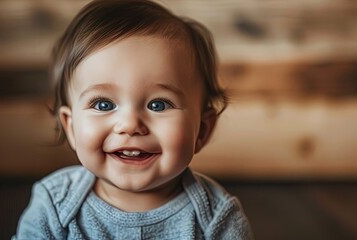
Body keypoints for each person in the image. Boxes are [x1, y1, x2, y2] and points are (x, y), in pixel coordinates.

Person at [14, 0, 253, 239]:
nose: (130, 125)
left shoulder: (216, 218)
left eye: (158, 105)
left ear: (202, 130)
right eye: (103, 105)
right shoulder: (55, 205)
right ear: (72, 128)